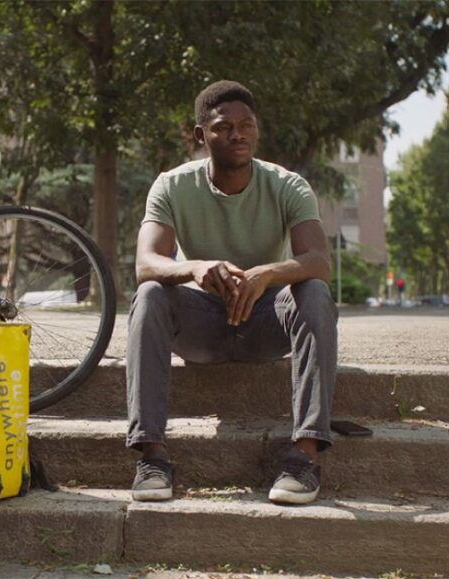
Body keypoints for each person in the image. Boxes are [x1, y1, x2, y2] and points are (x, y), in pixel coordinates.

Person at [126, 80, 337, 505]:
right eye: (224, 127)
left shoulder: (288, 185)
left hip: (264, 323)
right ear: (201, 135)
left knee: (313, 291)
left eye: (247, 126)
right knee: (150, 294)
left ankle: (304, 457)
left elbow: (319, 261)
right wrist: (195, 267)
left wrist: (266, 275)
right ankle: (152, 457)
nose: (237, 134)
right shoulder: (172, 185)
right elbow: (146, 263)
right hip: (202, 325)